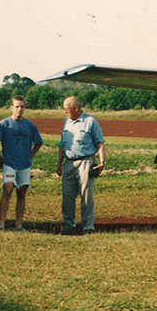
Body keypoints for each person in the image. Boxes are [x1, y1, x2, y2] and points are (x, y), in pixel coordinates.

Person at [0, 96, 42, 231]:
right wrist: (0, 157)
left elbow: (39, 142)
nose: (19, 109)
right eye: (17, 106)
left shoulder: (29, 125)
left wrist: (30, 155)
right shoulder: (4, 124)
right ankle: (1, 224)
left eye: (22, 107)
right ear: (11, 107)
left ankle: (19, 225)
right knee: (8, 187)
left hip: (24, 164)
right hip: (9, 163)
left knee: (22, 192)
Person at [56, 96, 106, 235]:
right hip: (69, 163)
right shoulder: (67, 122)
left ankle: (87, 227)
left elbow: (100, 143)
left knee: (86, 196)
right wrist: (59, 163)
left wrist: (102, 162)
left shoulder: (90, 121)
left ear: (75, 108)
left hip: (85, 162)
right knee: (67, 196)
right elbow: (62, 144)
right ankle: (69, 225)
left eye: (66, 109)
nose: (65, 112)